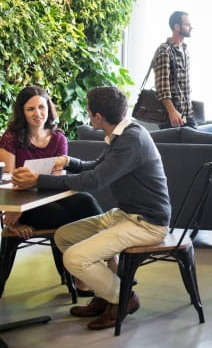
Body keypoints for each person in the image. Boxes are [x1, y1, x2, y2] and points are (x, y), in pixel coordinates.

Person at [12, 86, 171, 330]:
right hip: (127, 215)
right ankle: (106, 294)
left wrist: (38, 180)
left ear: (97, 116)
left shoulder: (131, 139)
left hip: (146, 223)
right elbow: (98, 166)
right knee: (64, 237)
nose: (87, 114)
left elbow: (95, 180)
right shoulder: (122, 133)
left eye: (88, 111)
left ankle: (123, 298)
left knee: (75, 258)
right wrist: (69, 162)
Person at [0, 86, 103, 240]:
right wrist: (15, 219)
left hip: (49, 195)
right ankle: (88, 251)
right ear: (22, 112)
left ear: (48, 107)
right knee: (62, 216)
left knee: (86, 200)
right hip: (21, 203)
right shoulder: (11, 137)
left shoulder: (58, 138)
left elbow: (58, 180)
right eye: (30, 109)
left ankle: (108, 250)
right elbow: (7, 181)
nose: (38, 113)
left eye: (42, 107)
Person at [153, 10, 195, 128]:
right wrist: (172, 112)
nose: (191, 27)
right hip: (172, 116)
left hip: (187, 113)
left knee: (197, 144)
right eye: (187, 25)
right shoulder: (165, 50)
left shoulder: (185, 50)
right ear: (177, 27)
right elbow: (162, 86)